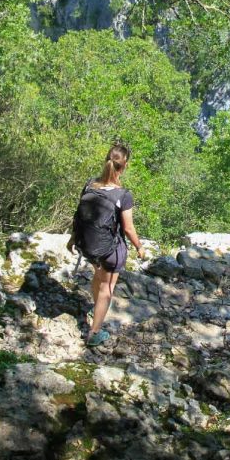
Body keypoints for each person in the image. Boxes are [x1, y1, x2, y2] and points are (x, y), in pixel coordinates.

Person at [68, 143, 146, 346]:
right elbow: (128, 229)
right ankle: (94, 333)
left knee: (98, 275)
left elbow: (79, 216)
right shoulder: (123, 195)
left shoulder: (90, 185)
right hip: (109, 249)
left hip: (88, 246)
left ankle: (96, 309)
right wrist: (139, 247)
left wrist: (72, 239)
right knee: (107, 287)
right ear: (125, 165)